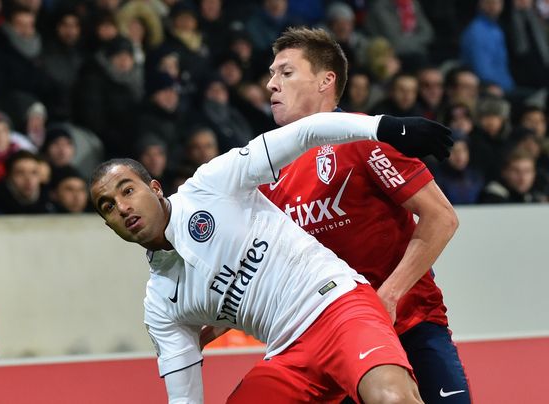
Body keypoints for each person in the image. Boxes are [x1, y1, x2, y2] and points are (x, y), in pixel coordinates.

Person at [89, 107, 452, 401]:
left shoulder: (210, 185)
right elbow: (184, 399)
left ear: (154, 188)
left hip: (340, 307)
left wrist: (384, 127)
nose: (121, 207)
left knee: (391, 398)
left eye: (128, 191)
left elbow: (306, 133)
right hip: (287, 353)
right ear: (108, 224)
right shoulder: (160, 306)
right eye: (108, 206)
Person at [203, 27, 470, 403]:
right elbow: (257, 268)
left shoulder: (362, 137)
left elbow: (442, 218)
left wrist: (387, 297)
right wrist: (206, 327)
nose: (270, 85)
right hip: (332, 338)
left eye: (285, 72)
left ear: (325, 81)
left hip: (409, 325)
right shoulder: (268, 170)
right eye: (271, 74)